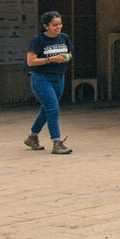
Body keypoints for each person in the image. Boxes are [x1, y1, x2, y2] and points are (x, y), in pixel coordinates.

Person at [23, 11, 73, 154]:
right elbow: (31, 61)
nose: (58, 27)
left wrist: (66, 57)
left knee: (46, 110)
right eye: (54, 25)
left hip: (59, 78)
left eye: (60, 24)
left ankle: (32, 137)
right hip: (41, 79)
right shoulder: (38, 40)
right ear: (46, 26)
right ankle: (57, 142)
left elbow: (70, 53)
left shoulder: (64, 37)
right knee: (53, 109)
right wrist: (50, 59)